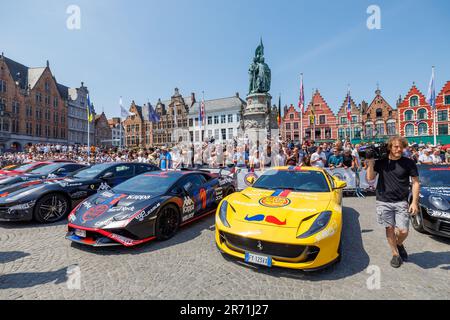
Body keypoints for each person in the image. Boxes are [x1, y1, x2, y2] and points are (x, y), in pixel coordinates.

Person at [366, 136, 420, 268]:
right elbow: (370, 178)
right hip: (383, 201)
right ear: (390, 147)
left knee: (403, 231)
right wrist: (371, 163)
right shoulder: (381, 162)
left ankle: (399, 243)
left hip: (401, 201)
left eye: (401, 147)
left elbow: (416, 182)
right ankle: (395, 254)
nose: (399, 149)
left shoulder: (409, 162)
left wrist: (414, 202)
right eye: (396, 146)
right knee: (389, 228)